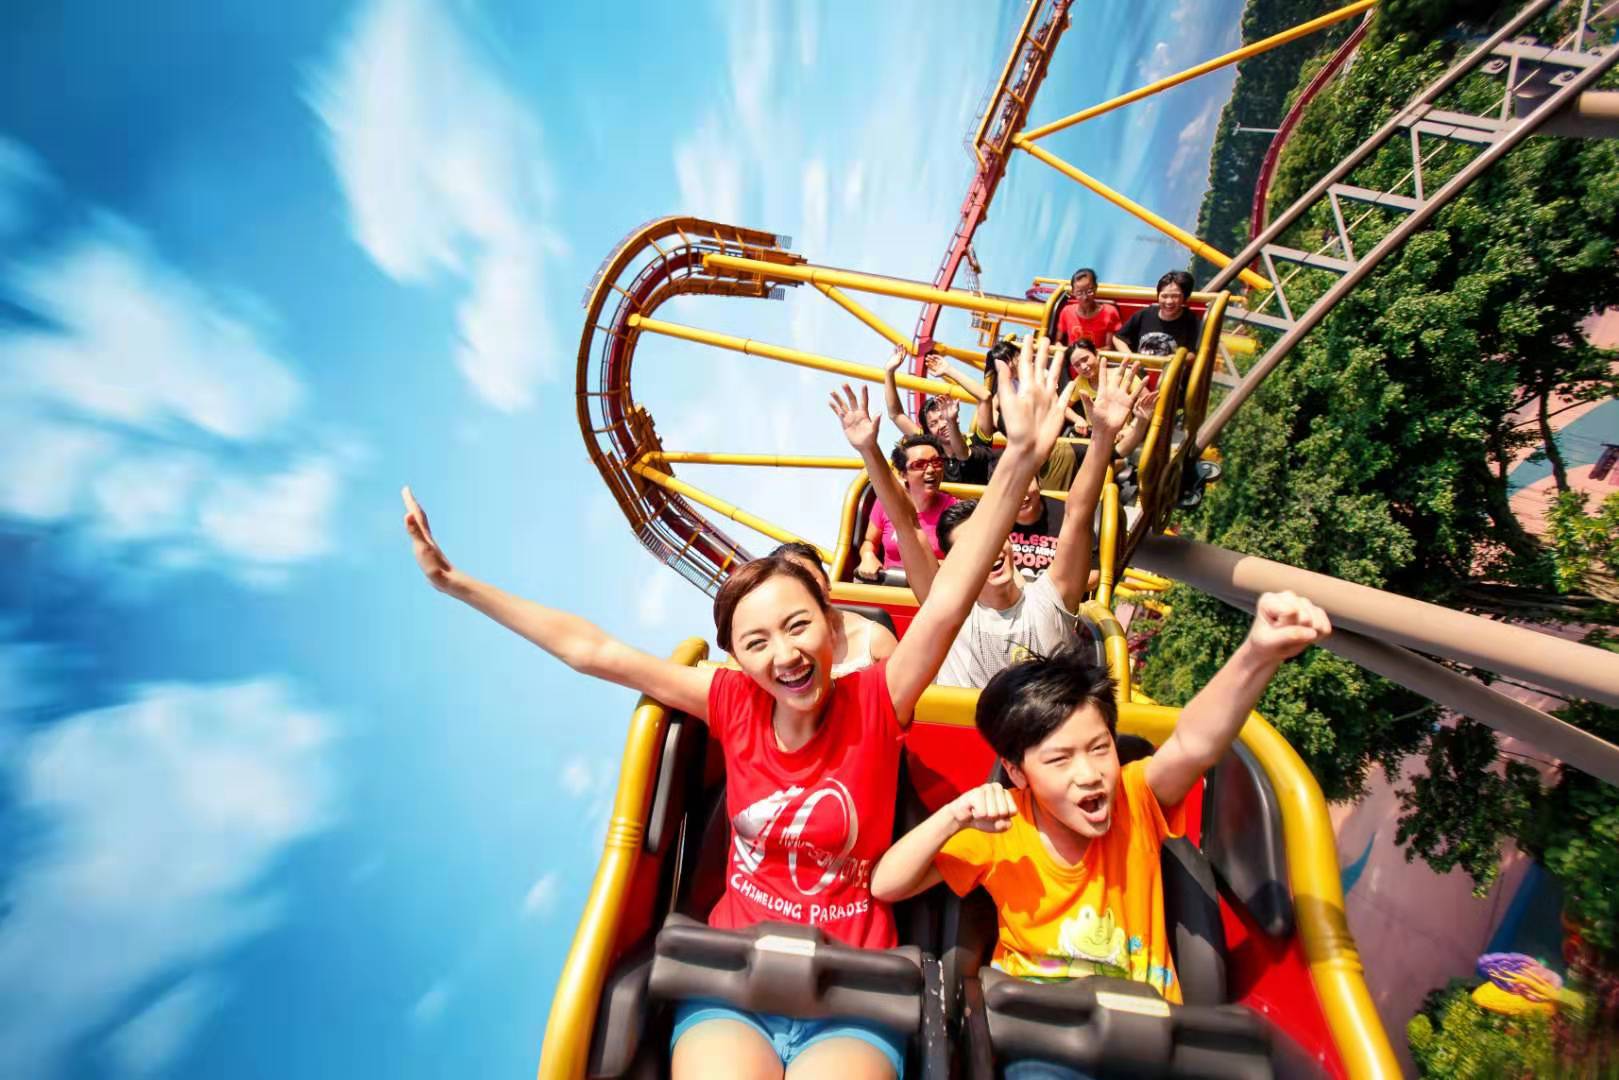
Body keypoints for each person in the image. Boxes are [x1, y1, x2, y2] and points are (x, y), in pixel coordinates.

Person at [403, 336, 1073, 1080]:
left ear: (829, 621)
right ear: (737, 658)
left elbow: (946, 600)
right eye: (757, 642)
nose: (784, 654)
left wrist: (1017, 458)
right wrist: (458, 584)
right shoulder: (731, 702)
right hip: (733, 980)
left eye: (797, 626)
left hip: (852, 985)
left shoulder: (877, 698)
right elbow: (593, 650)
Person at [869, 592, 1332, 1079]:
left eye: (1099, 749)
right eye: (1060, 760)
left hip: (1144, 1040)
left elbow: (1194, 742)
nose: (1089, 775)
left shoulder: (1137, 798)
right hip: (1040, 1039)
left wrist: (1258, 652)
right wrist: (954, 816)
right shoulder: (1001, 830)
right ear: (1017, 771)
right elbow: (887, 883)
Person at [844, 340, 1142, 690]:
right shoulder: (949, 611)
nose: (989, 555)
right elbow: (908, 525)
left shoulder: (1051, 597)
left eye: (990, 542)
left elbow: (1078, 512)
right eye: (971, 550)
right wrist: (869, 450)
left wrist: (1103, 437)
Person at [770, 541, 897, 676]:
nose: (806, 591)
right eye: (793, 587)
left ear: (827, 580)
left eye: (810, 580)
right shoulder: (778, 651)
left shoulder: (876, 639)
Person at [855, 434, 958, 583]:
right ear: (903, 474)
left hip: (934, 588)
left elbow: (963, 559)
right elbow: (869, 541)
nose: (931, 470)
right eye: (920, 464)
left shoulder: (954, 509)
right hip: (889, 586)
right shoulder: (887, 502)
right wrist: (867, 556)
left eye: (936, 462)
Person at [882, 348, 991, 485]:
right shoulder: (932, 453)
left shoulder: (977, 441)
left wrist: (949, 370)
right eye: (933, 424)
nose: (942, 425)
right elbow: (896, 414)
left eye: (944, 417)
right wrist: (889, 372)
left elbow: (985, 397)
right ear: (929, 432)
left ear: (955, 416)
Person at [1112, 270, 1200, 360]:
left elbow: (1194, 354)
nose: (1169, 301)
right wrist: (1130, 358)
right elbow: (1118, 338)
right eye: (1164, 296)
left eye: (1175, 296)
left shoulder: (1192, 321)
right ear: (1158, 296)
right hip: (1138, 367)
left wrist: (1175, 360)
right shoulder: (1144, 314)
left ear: (1185, 298)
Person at [1008, 476, 1063, 581]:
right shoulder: (989, 519)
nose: (1020, 491)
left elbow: (1092, 573)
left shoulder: (1067, 516)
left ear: (1039, 482)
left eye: (1027, 481)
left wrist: (1045, 588)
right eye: (1011, 484)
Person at [1054, 268, 1122, 351]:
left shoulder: (1110, 312)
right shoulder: (1066, 311)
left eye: (1089, 291)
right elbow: (1058, 341)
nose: (1085, 297)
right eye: (1079, 293)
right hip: (1072, 356)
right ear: (1073, 292)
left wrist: (1087, 354)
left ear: (1095, 288)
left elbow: (1110, 347)